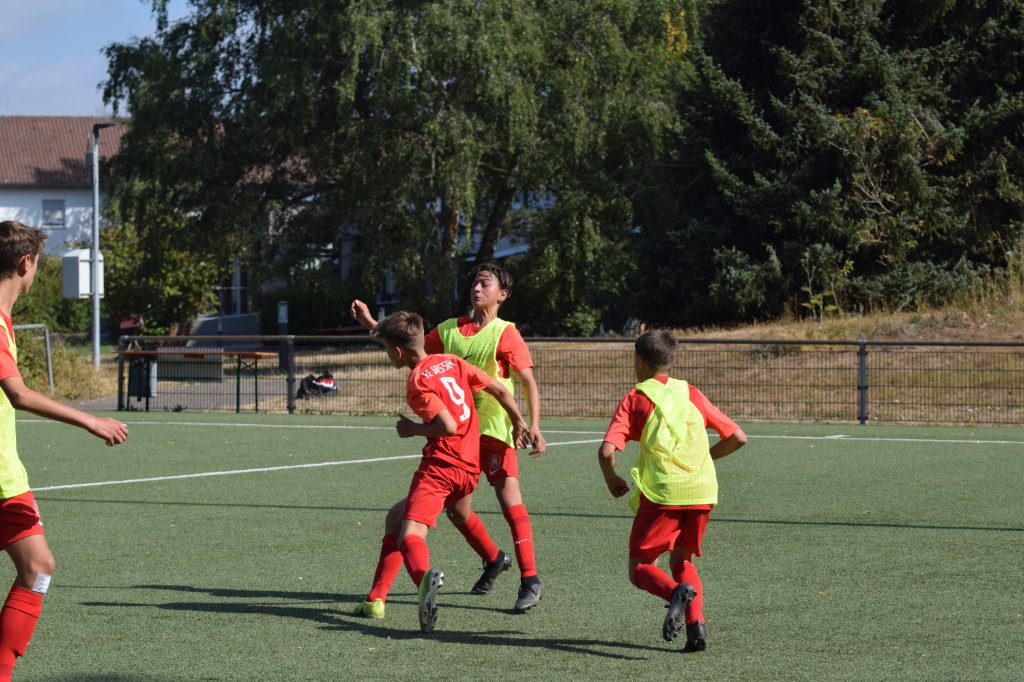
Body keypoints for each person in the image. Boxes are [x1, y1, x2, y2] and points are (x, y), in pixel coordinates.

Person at [351, 262, 547, 613]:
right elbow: (407, 346)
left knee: (509, 501)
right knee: (458, 512)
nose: (477, 288)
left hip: (492, 430)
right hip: (463, 439)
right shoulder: (449, 329)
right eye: (474, 283)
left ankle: (530, 579)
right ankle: (494, 558)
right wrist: (371, 324)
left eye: (485, 284)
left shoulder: (505, 333)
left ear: (502, 294)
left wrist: (531, 423)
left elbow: (526, 381)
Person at [0, 221, 129, 681]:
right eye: (38, 263)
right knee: (38, 568)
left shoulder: (5, 321)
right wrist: (91, 420)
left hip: (7, 479)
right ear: (25, 263)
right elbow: (18, 394)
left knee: (38, 568)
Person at [598, 330, 746, 653]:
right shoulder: (691, 393)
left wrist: (612, 479)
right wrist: (704, 458)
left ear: (638, 361)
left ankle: (674, 594)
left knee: (639, 568)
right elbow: (738, 437)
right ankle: (696, 627)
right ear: (672, 362)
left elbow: (607, 451)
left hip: (663, 492)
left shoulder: (636, 398)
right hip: (702, 490)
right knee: (682, 559)